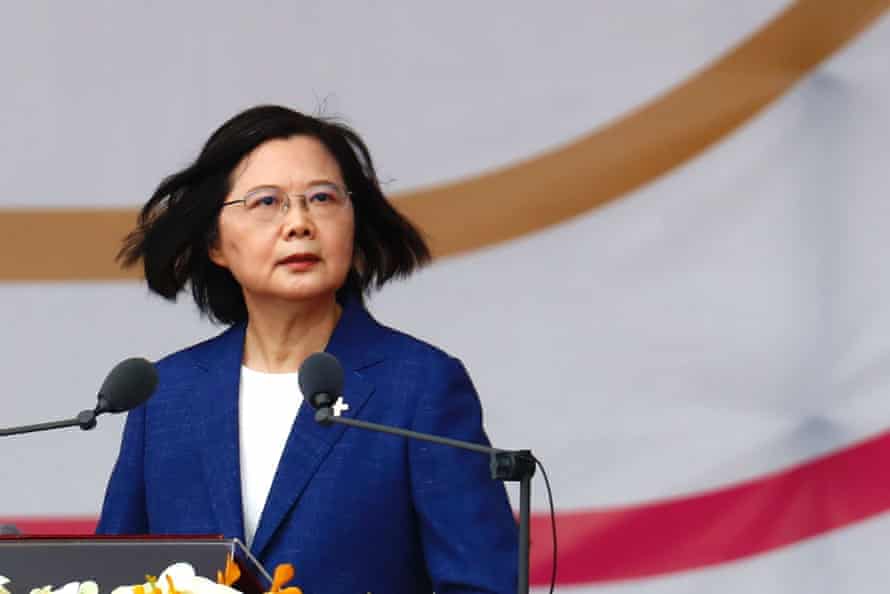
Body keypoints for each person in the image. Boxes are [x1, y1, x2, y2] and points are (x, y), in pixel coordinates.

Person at [96, 105, 518, 594]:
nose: (298, 223)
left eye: (321, 198)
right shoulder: (166, 396)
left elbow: (484, 584)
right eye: (266, 202)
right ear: (215, 242)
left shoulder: (419, 387)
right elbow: (115, 578)